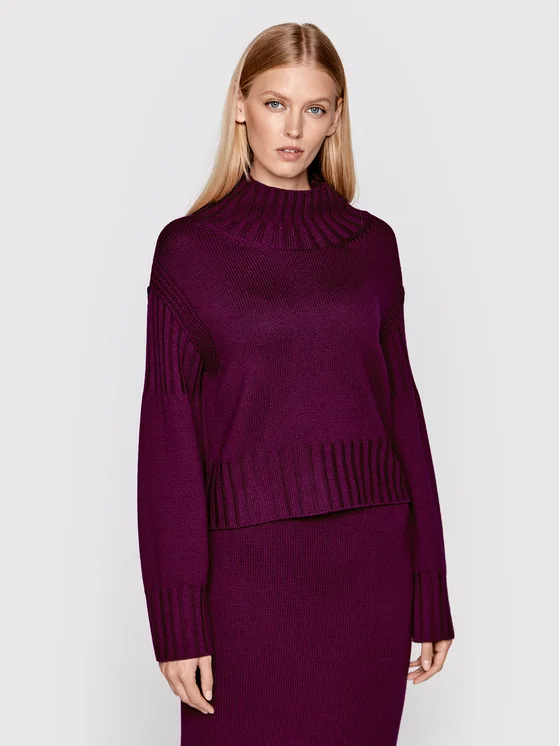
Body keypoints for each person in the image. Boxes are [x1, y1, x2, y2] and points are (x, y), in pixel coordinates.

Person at [136, 21, 455, 746]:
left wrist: (429, 587)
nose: (293, 128)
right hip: (245, 581)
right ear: (241, 106)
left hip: (369, 570)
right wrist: (177, 619)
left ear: (336, 118)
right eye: (275, 103)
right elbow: (168, 442)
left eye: (315, 108)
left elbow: (402, 411)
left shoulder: (372, 246)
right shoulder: (189, 251)